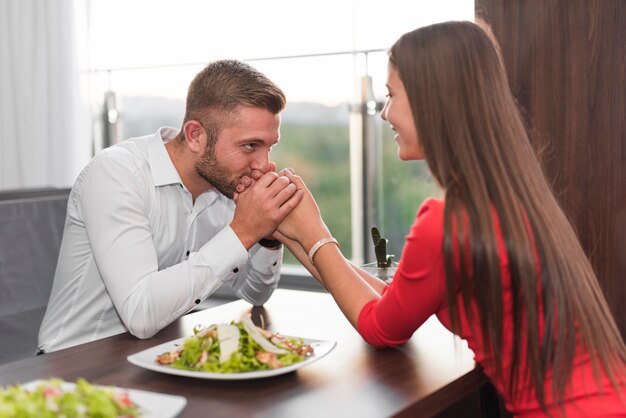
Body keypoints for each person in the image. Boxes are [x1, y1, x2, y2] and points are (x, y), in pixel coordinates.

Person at [259, 21, 626, 417]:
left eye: (391, 95)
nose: (384, 114)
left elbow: (382, 329)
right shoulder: (515, 198)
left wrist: (316, 234)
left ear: (431, 101)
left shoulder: (445, 222)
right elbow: (393, 305)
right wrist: (302, 238)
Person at [38, 59, 303, 353]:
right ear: (195, 136)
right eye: (250, 146)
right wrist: (243, 231)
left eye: (270, 146)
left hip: (161, 358)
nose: (264, 165)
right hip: (74, 366)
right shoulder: (116, 174)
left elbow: (255, 294)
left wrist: (264, 237)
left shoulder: (227, 184)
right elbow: (140, 314)